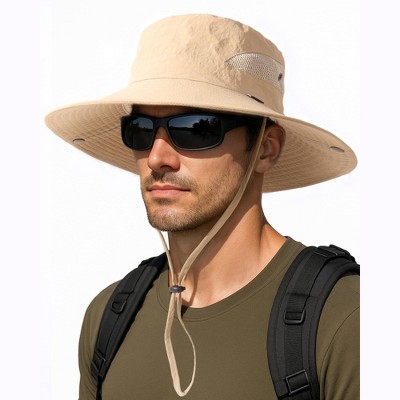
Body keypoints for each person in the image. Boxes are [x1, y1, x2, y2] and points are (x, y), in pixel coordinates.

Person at [45, 14, 359, 400]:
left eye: (196, 128)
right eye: (140, 129)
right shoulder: (107, 319)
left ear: (266, 147)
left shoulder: (344, 319)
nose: (157, 157)